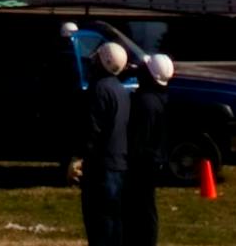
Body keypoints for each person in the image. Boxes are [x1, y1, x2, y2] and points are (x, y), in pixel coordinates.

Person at [71, 40, 130, 246]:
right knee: (115, 223)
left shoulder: (99, 89)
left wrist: (79, 157)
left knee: (99, 225)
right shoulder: (120, 90)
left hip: (101, 166)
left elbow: (92, 129)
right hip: (119, 164)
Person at [123, 53, 174, 246]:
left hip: (142, 165)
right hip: (152, 162)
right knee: (145, 208)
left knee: (141, 209)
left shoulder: (146, 103)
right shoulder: (158, 98)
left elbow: (138, 140)